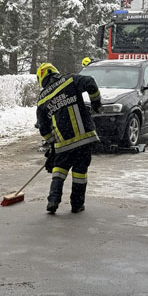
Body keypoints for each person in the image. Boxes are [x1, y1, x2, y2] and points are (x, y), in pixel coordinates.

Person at [36, 63, 102, 214]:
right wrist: (96, 103)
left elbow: (43, 128)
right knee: (80, 172)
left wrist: (52, 144)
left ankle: (53, 200)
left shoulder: (42, 99)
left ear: (41, 78)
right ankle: (77, 205)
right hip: (84, 138)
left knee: (59, 171)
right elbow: (90, 82)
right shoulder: (70, 80)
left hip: (63, 143)